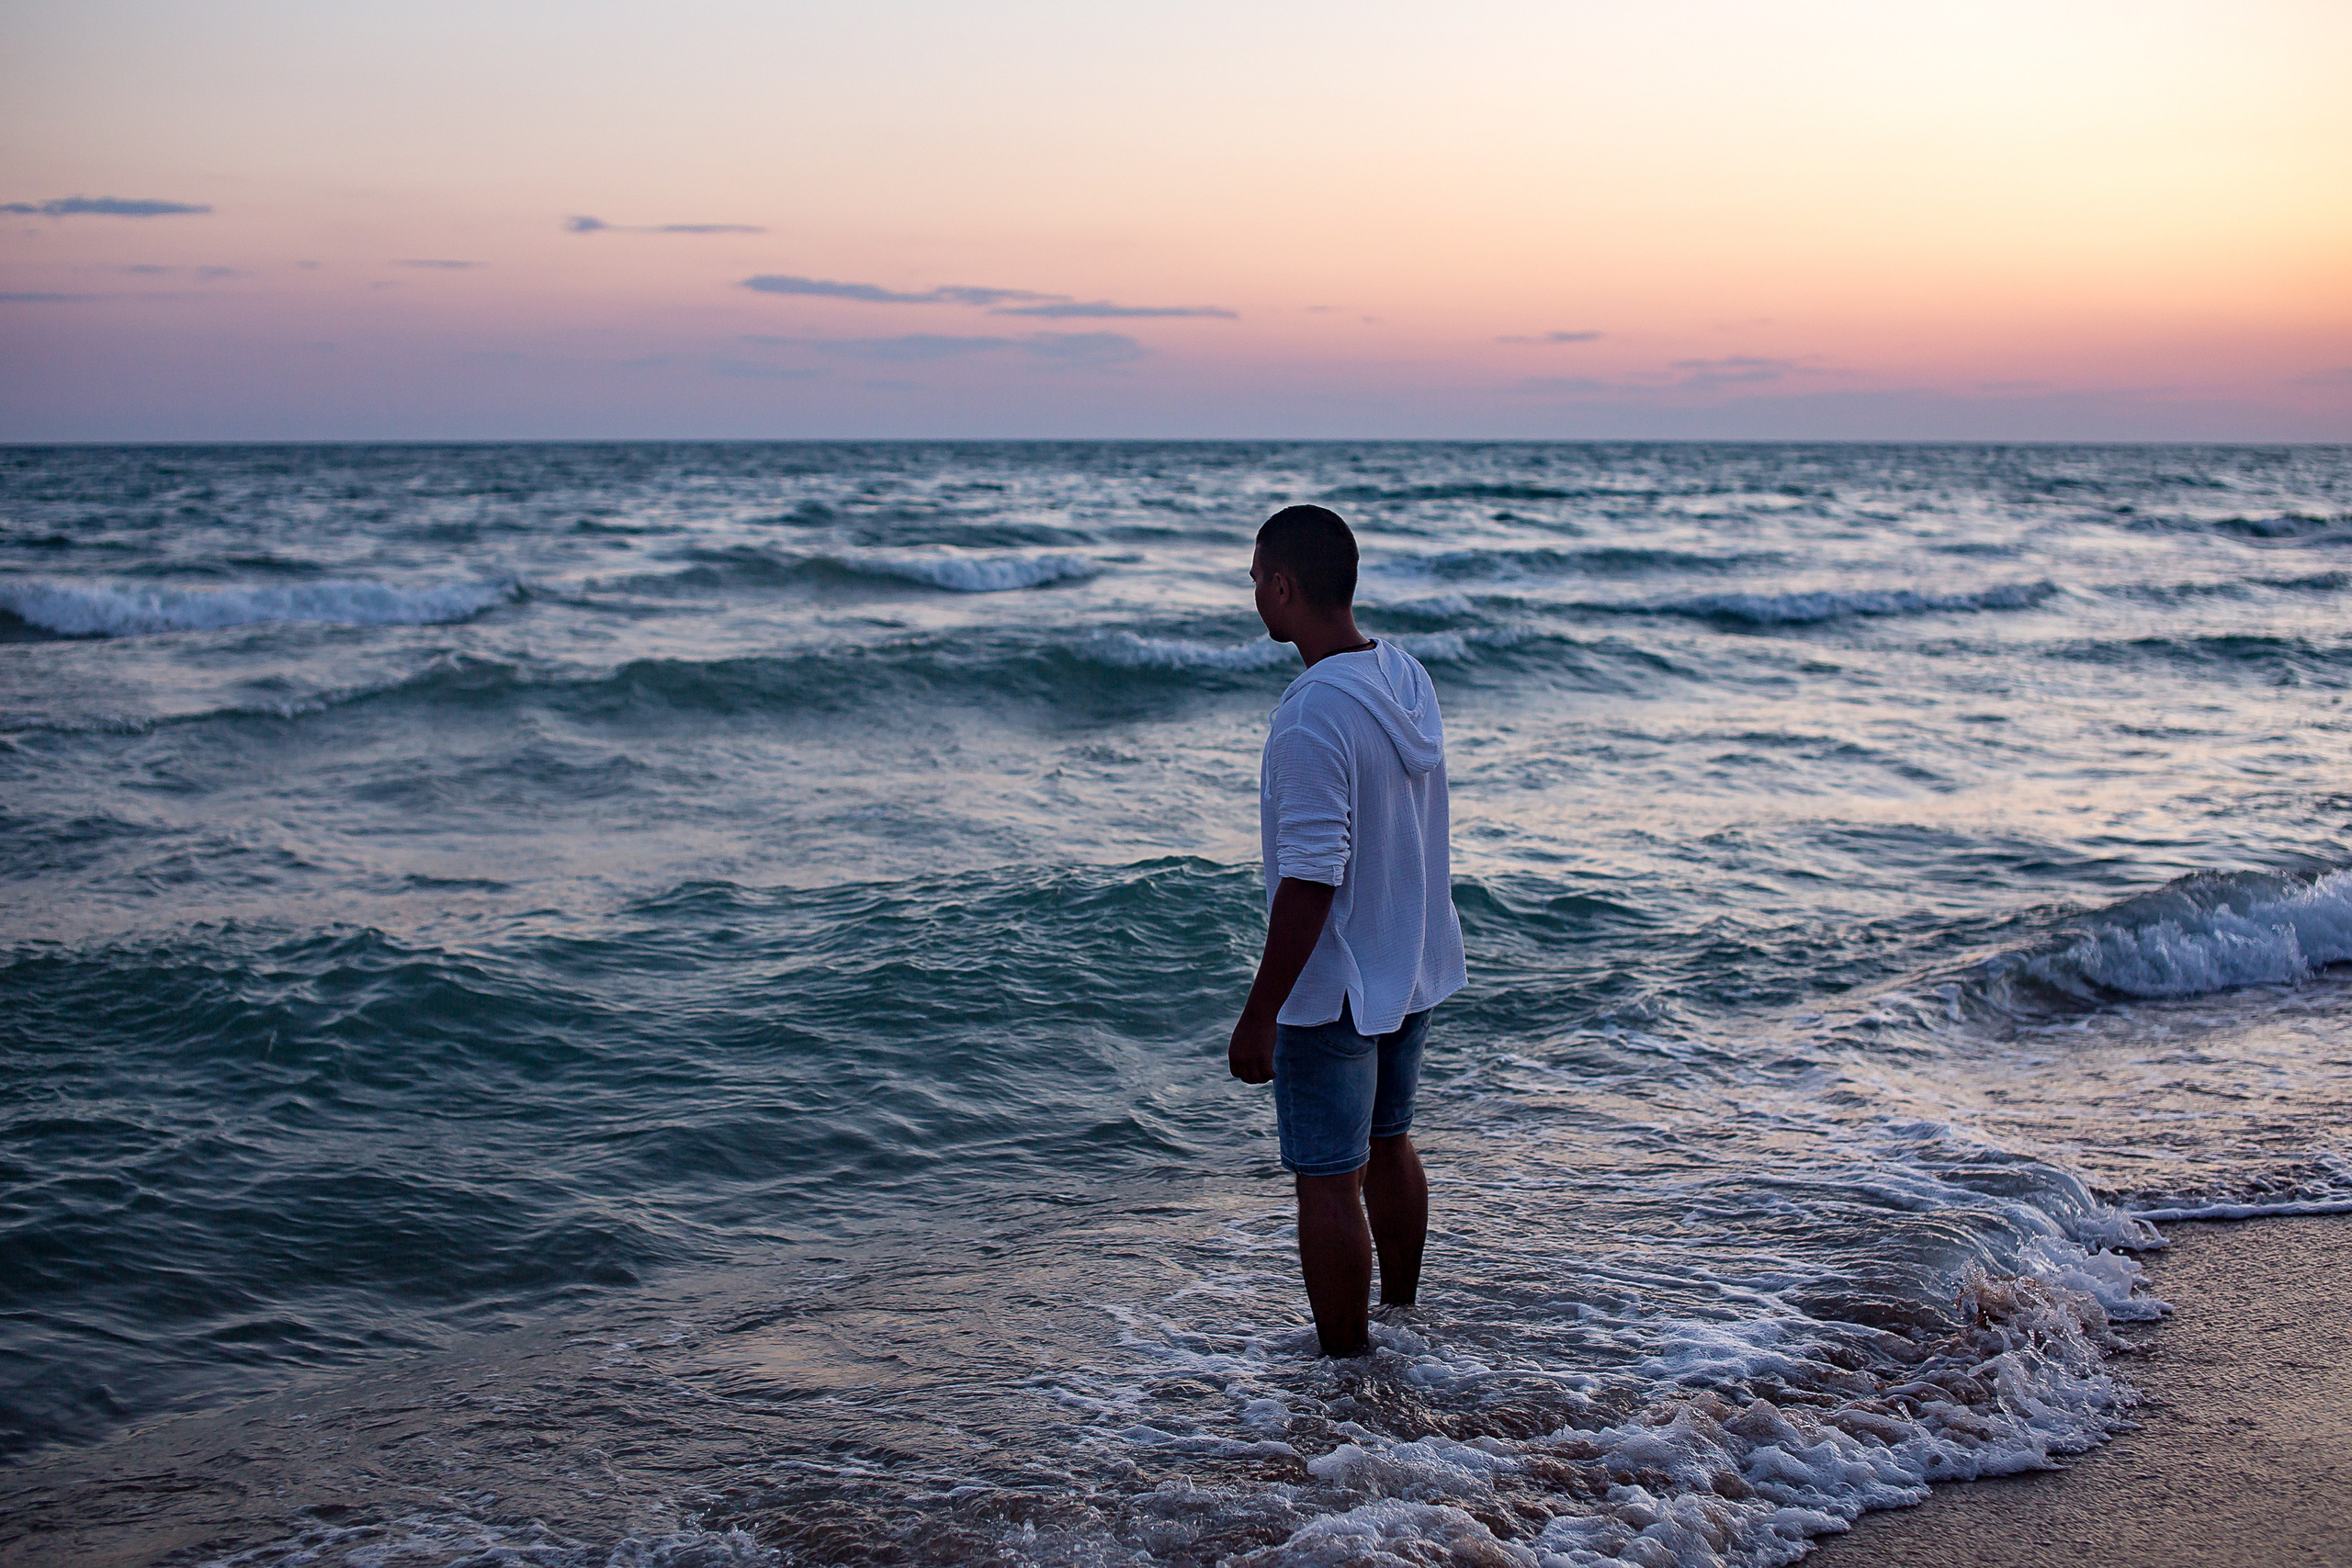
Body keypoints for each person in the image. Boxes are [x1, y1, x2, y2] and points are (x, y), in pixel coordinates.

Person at [1227, 503, 1466, 1357]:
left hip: (1334, 985)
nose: (1254, 593)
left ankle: (1346, 1372)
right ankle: (1401, 1319)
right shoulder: (1404, 677)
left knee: (1328, 1178)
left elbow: (1311, 875)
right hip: (1411, 961)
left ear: (1284, 586)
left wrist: (1262, 1011)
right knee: (1391, 1141)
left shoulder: (1309, 714)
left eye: (1257, 580)